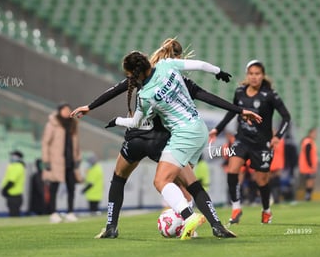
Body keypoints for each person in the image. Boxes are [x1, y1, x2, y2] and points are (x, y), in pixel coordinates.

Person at [71, 39, 261, 239]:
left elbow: (118, 94)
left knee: (120, 178)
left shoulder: (142, 90)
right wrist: (235, 103)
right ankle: (215, 225)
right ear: (175, 58)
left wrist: (93, 109)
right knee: (190, 182)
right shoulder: (172, 71)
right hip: (163, 140)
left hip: (136, 138)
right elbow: (208, 94)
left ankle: (112, 226)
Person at [209, 59, 291, 224]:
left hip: (262, 144)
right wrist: (217, 129)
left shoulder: (270, 95)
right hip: (242, 139)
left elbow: (286, 117)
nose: (254, 77)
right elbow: (232, 112)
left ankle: (266, 210)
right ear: (247, 75)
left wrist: (277, 137)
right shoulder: (240, 92)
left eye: (257, 74)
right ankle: (236, 208)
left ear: (262, 75)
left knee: (262, 181)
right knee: (232, 170)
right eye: (251, 74)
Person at [42, 102, 82, 223]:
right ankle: (53, 213)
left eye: (68, 110)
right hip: (56, 161)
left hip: (70, 160)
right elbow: (45, 142)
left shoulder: (73, 124)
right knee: (54, 187)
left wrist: (78, 157)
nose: (66, 112)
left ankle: (70, 212)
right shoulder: (52, 124)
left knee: (71, 187)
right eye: (64, 110)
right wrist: (46, 160)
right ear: (59, 111)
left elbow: (76, 143)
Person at [1, 150, 26, 217]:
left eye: (13, 156)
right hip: (14, 196)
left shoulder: (17, 166)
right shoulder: (16, 166)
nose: (11, 157)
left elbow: (11, 181)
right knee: (14, 214)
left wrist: (5, 190)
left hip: (14, 196)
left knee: (14, 216)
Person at [298, 128, 318, 201]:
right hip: (308, 166)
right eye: (314, 133)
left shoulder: (309, 141)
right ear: (310, 133)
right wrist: (310, 164)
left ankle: (308, 195)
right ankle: (307, 196)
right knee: (309, 181)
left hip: (309, 166)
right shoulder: (308, 142)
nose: (316, 135)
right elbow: (307, 154)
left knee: (311, 181)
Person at [269, 130, 285, 204]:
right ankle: (271, 197)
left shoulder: (279, 141)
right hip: (269, 163)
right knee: (268, 181)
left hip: (276, 164)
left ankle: (276, 198)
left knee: (276, 181)